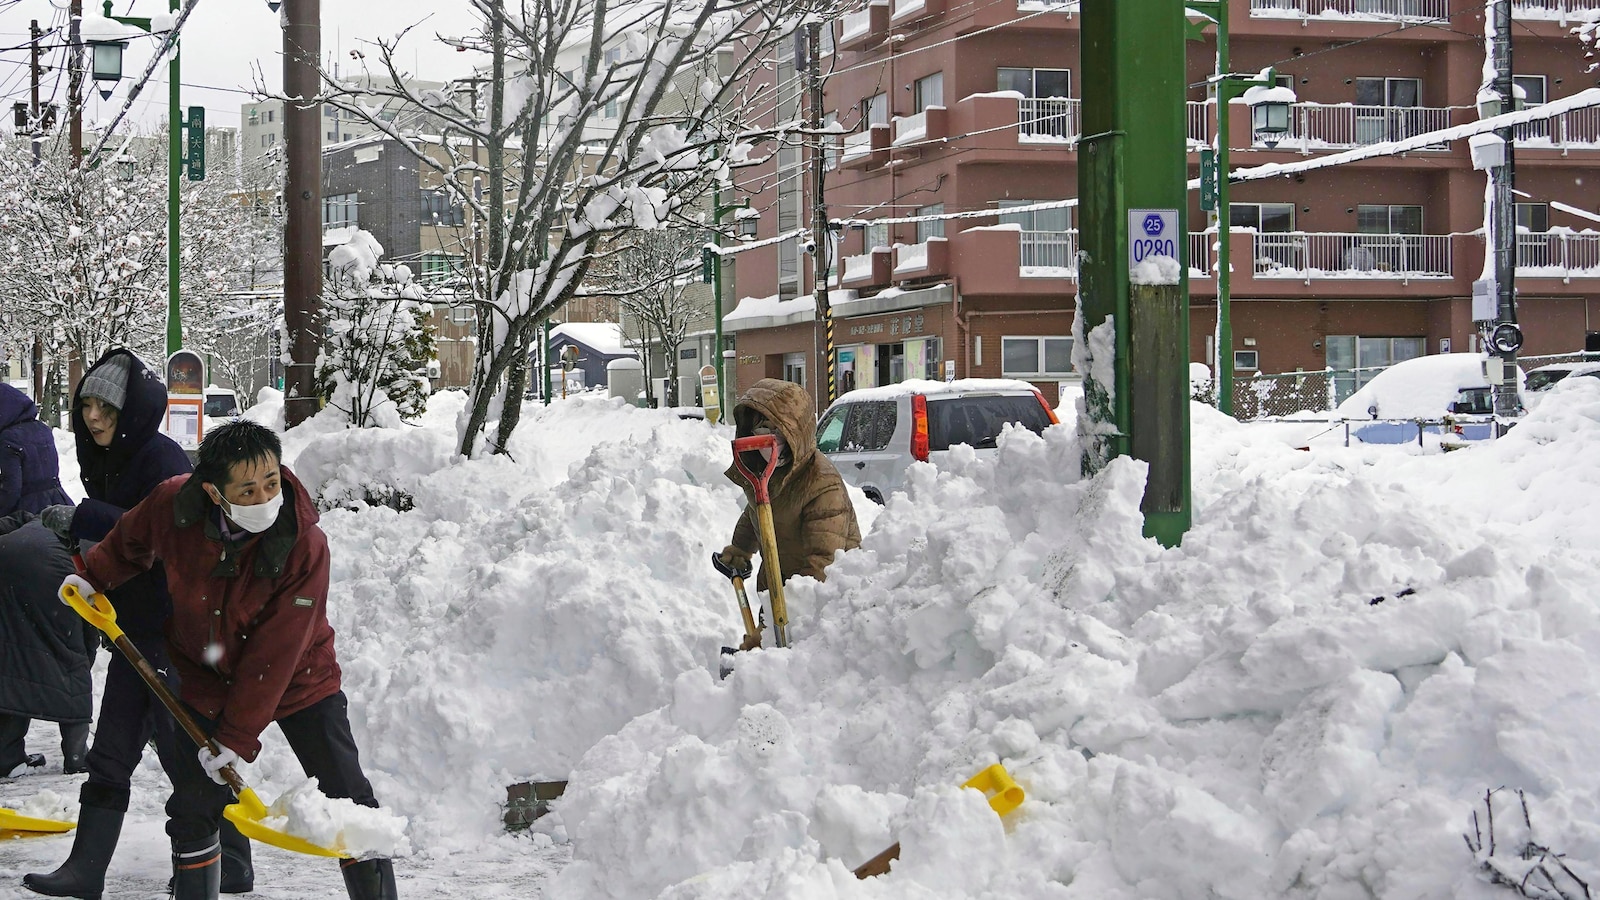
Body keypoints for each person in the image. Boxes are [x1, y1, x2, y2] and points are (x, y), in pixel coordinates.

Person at [61, 420, 398, 900]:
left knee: (349, 799)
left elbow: (276, 654)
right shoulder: (174, 504)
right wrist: (93, 576)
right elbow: (130, 539)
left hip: (300, 678)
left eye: (271, 482)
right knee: (194, 804)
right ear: (214, 493)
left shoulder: (303, 543)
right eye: (247, 489)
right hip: (205, 674)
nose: (264, 497)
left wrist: (235, 738)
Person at [25, 349, 254, 898]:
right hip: (134, 630)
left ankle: (233, 858)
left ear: (130, 411)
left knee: (184, 751)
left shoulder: (163, 459)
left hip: (176, 634)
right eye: (86, 406)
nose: (93, 417)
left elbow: (167, 536)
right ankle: (86, 871)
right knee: (113, 751)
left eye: (105, 406)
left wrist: (85, 518)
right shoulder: (109, 460)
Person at [716, 378, 862, 647]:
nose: (769, 439)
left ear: (797, 434)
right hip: (777, 581)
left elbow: (824, 562)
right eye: (762, 428)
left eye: (778, 431)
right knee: (765, 656)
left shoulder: (822, 484)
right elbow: (755, 512)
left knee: (795, 660)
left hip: (822, 596)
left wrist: (792, 609)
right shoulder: (764, 473)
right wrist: (740, 549)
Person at [0, 383, 88, 779]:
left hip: (21, 526)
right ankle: (75, 752)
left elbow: (10, 490)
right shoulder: (39, 429)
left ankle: (7, 752)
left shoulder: (7, 440)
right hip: (55, 512)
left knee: (13, 645)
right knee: (70, 642)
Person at [0, 514, 95, 780]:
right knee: (71, 661)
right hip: (54, 572)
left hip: (4, 557)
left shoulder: (46, 516)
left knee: (10, 660)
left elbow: (14, 520)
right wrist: (87, 652)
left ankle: (7, 759)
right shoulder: (104, 534)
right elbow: (91, 620)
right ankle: (76, 757)